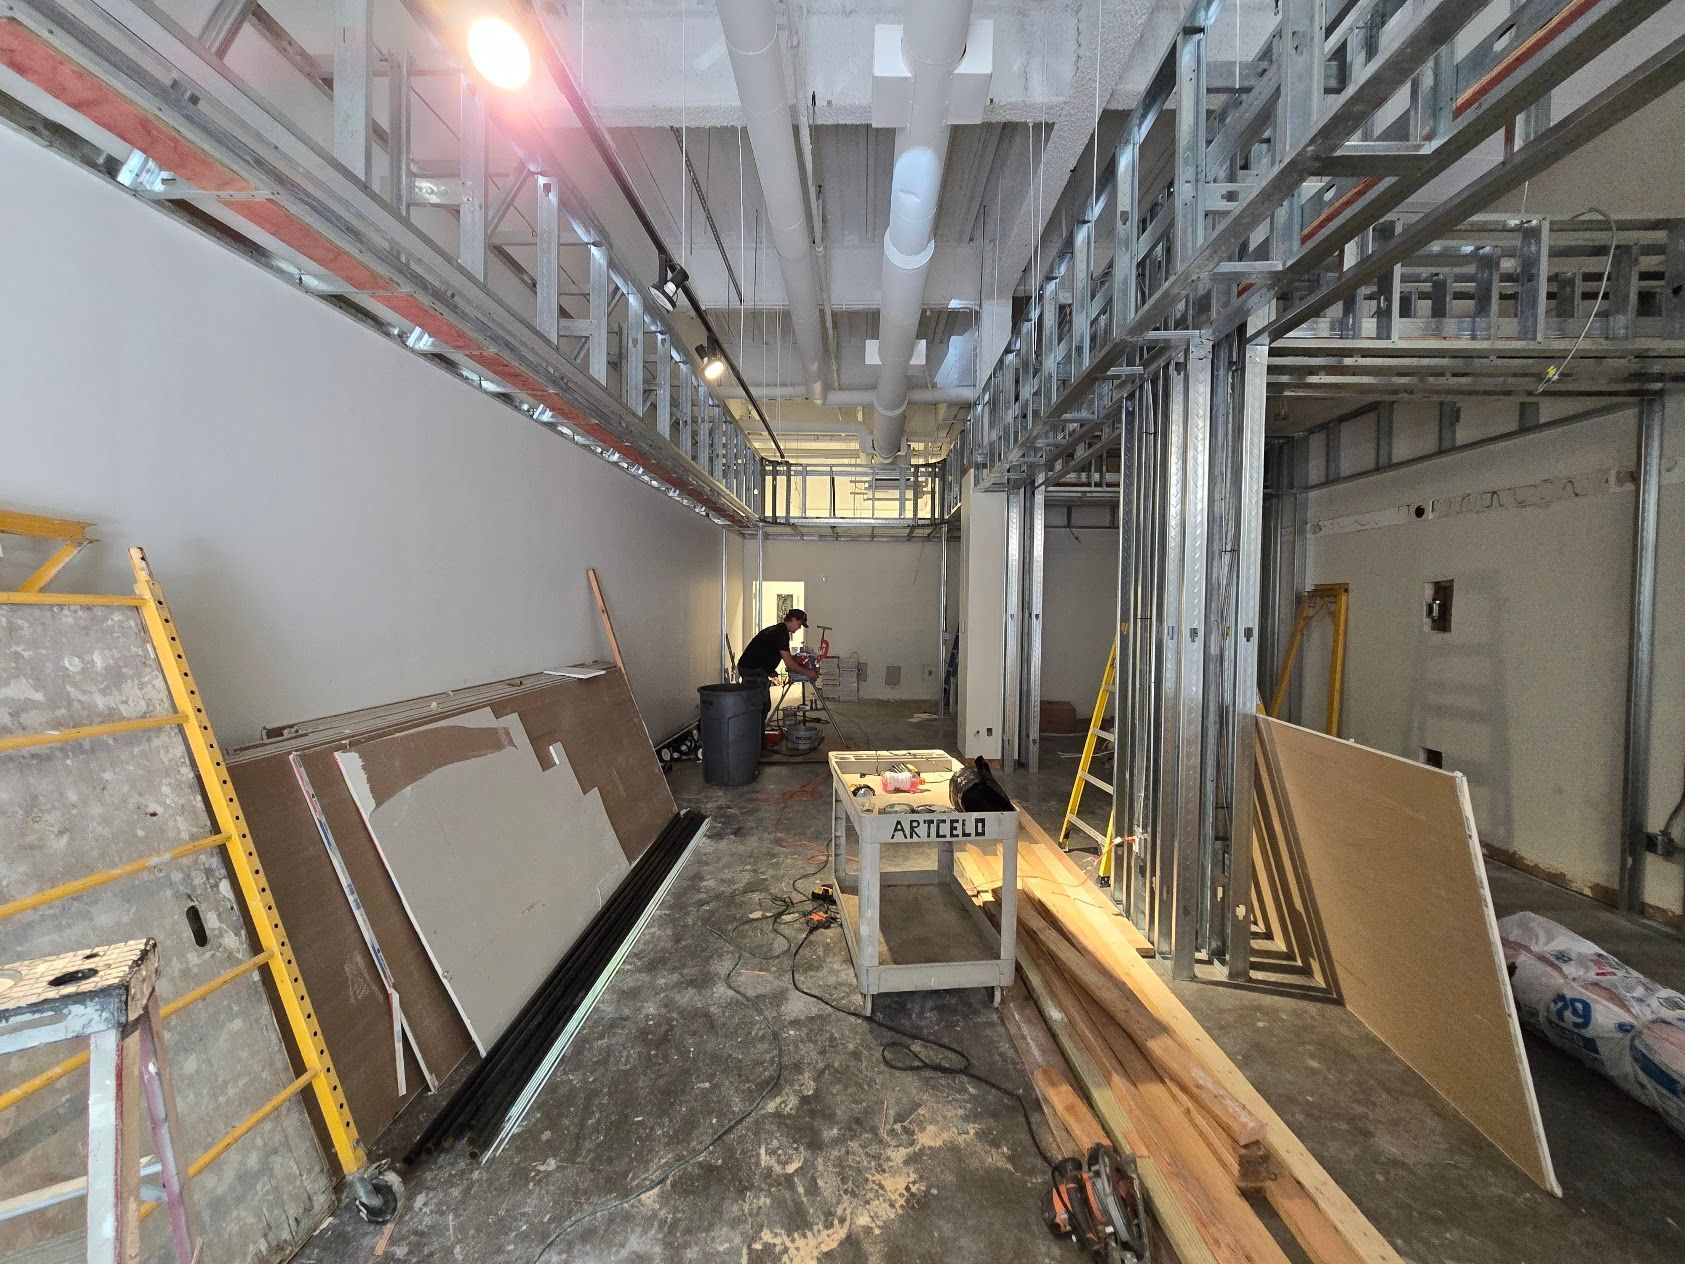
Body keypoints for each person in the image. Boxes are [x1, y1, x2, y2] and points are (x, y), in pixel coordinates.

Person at [737, 609, 818, 744]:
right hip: (753, 670)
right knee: (761, 706)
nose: (798, 628)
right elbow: (789, 663)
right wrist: (809, 673)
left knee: (758, 705)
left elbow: (765, 652)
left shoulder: (777, 630)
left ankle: (755, 740)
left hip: (752, 668)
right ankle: (757, 744)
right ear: (792, 620)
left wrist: (770, 670)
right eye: (799, 624)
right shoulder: (781, 633)